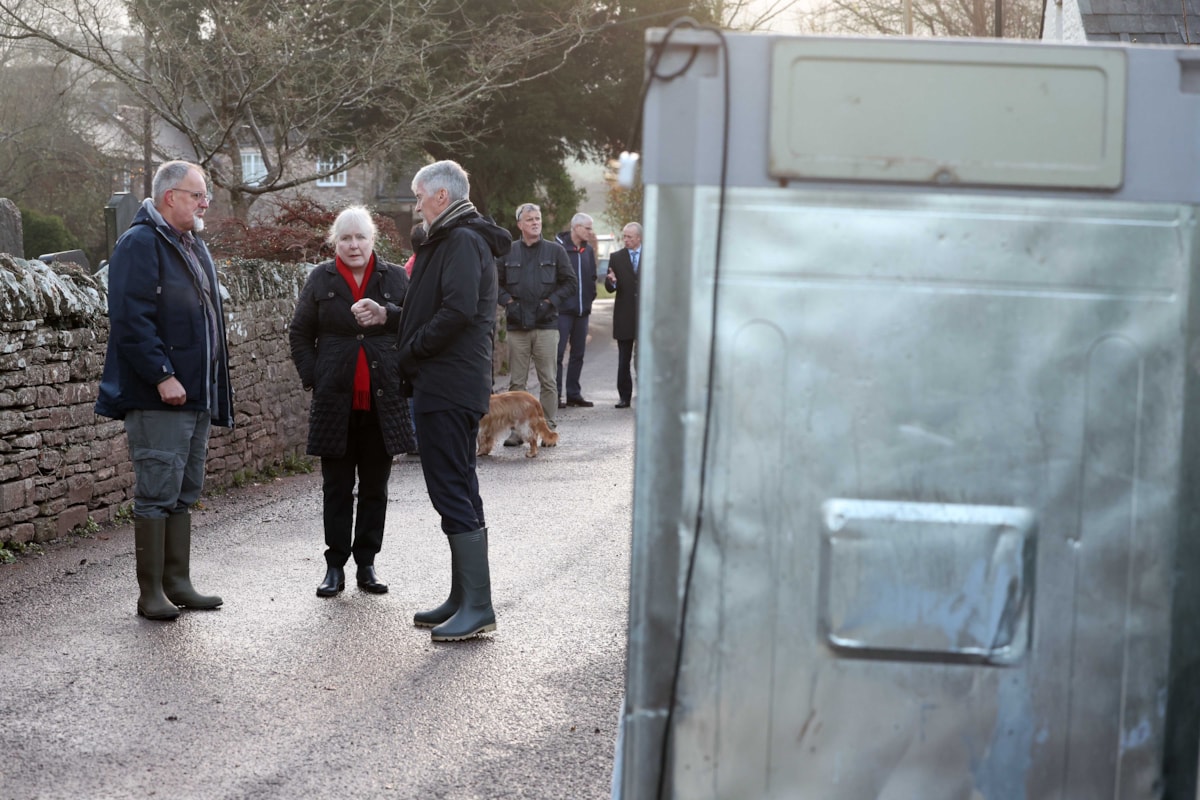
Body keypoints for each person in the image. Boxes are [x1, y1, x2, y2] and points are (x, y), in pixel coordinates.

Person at [95, 160, 232, 621]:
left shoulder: (190, 244)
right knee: (157, 490)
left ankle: (178, 582)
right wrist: (161, 375)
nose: (204, 202)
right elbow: (131, 321)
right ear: (170, 195)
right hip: (160, 394)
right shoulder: (139, 243)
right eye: (197, 194)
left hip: (194, 393)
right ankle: (150, 592)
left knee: (184, 489)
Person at [396, 159, 512, 642]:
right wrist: (390, 316)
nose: (415, 202)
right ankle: (464, 595)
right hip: (450, 382)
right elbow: (434, 307)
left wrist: (412, 347)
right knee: (460, 485)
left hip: (446, 383)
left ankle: (477, 605)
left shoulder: (460, 240)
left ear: (441, 196)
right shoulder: (453, 237)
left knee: (449, 488)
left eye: (419, 194)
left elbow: (458, 311)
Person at [289, 206, 414, 598]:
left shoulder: (394, 277)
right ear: (335, 242)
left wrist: (388, 315)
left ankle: (367, 564)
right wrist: (315, 376)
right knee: (337, 487)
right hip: (335, 403)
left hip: (383, 402)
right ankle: (334, 566)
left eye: (360, 237)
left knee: (375, 486)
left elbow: (413, 326)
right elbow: (299, 333)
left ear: (373, 240)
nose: (353, 245)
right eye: (346, 238)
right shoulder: (320, 278)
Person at [498, 203, 576, 431]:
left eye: (538, 219)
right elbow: (494, 283)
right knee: (516, 383)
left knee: (549, 381)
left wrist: (550, 302)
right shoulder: (507, 252)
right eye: (530, 219)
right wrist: (508, 303)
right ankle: (517, 431)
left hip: (546, 325)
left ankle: (548, 427)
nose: (535, 223)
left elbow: (570, 282)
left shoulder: (555, 251)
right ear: (520, 224)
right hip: (517, 326)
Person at [554, 213, 598, 409]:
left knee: (578, 354)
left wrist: (590, 297)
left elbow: (592, 276)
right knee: (558, 353)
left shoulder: (587, 251)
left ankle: (573, 394)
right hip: (562, 311)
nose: (590, 232)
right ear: (576, 228)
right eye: (587, 228)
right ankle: (554, 395)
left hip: (583, 311)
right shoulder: (559, 249)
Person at [605, 222, 642, 409]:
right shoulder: (616, 258)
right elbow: (609, 287)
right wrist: (611, 282)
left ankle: (645, 395)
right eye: (624, 236)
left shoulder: (652, 256)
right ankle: (624, 397)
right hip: (624, 315)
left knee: (644, 359)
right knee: (623, 360)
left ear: (639, 238)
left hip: (646, 317)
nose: (625, 240)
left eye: (629, 237)